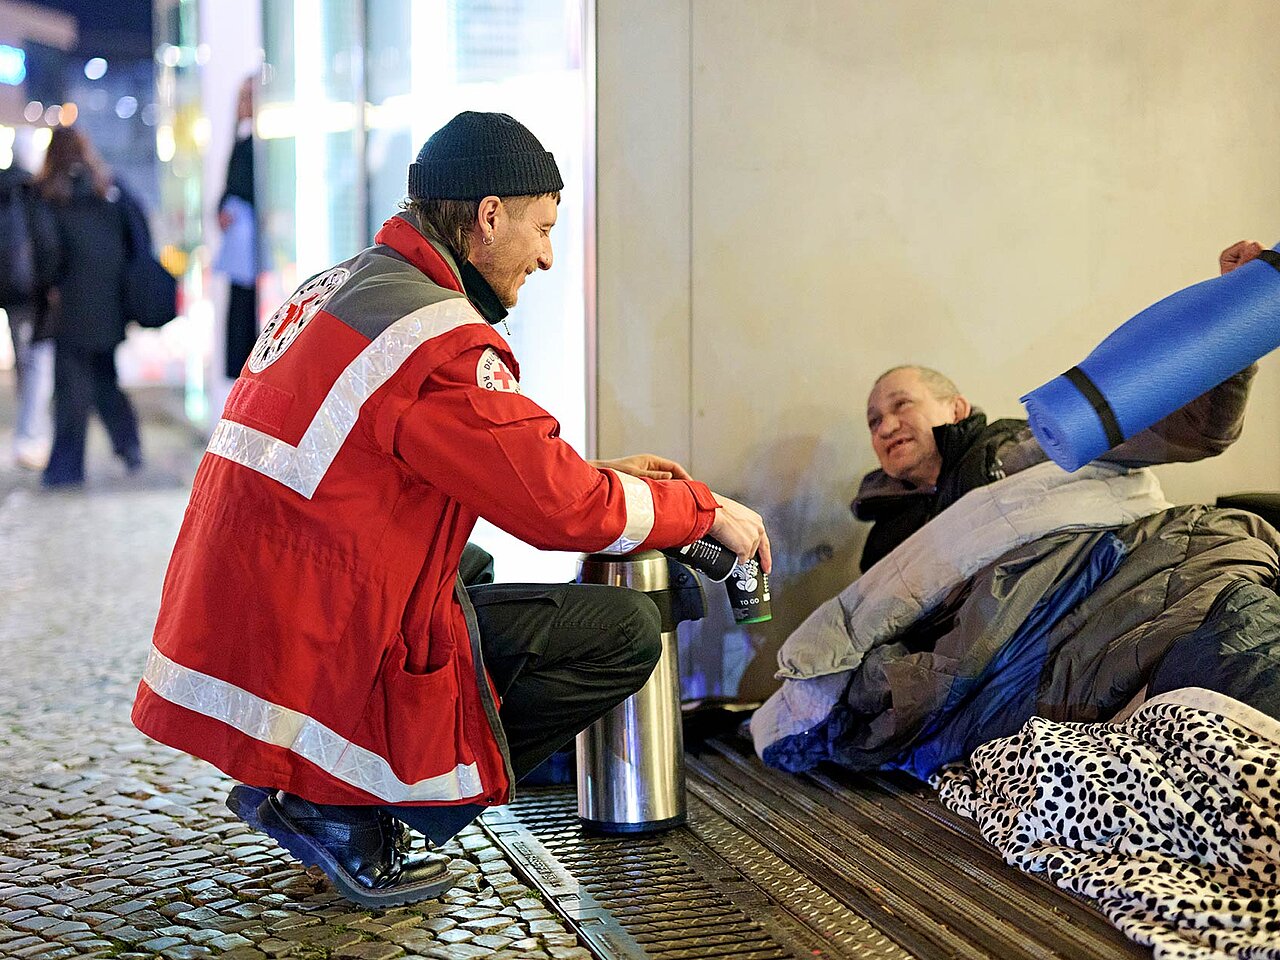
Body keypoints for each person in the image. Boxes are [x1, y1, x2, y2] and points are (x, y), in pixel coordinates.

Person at [131, 111, 771, 908]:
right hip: (306, 644)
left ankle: (321, 791)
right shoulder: (439, 338)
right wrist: (705, 513)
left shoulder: (349, 287)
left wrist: (592, 473)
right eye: (540, 229)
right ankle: (348, 808)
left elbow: (445, 458)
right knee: (623, 636)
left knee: (468, 566)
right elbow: (558, 510)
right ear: (488, 215)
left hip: (242, 621)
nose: (545, 255)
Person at [852, 240, 1262, 572]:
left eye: (901, 404)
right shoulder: (883, 546)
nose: (885, 428)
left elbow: (1194, 431)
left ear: (956, 409)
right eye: (873, 423)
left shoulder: (1024, 447)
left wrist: (1237, 311)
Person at [33, 127, 144, 487]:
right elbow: (136, 240)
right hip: (108, 304)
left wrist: (47, 288)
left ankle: (66, 469)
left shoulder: (49, 195)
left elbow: (47, 253)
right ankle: (129, 446)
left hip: (70, 305)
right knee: (105, 379)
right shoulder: (108, 187)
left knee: (71, 388)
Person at [0, 159, 54, 469]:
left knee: (23, 360)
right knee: (38, 361)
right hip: (33, 292)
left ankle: (28, 425)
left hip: (8, 293)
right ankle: (30, 432)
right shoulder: (33, 194)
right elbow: (45, 240)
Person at [214, 76, 259, 379]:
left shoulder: (258, 147)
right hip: (242, 250)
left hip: (256, 248)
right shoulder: (242, 142)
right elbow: (229, 188)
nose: (245, 104)